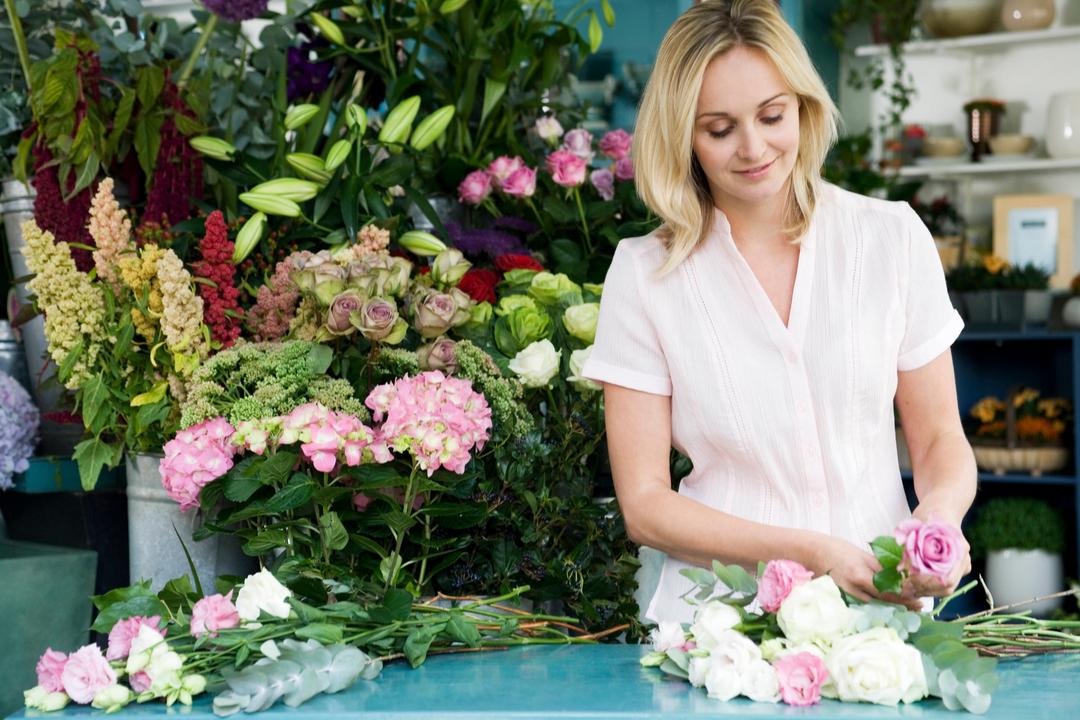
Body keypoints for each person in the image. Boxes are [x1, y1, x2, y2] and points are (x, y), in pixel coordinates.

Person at [579, 0, 976, 624]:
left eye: (772, 115)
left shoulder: (891, 238)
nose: (753, 147)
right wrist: (808, 553)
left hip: (882, 615)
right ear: (683, 135)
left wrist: (940, 519)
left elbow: (937, 440)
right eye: (719, 128)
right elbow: (646, 505)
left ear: (803, 107)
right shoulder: (644, 274)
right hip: (718, 628)